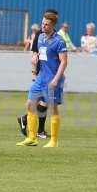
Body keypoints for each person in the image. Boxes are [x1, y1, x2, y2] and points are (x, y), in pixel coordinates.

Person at [17, 11, 68, 147]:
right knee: (30, 104)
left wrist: (56, 79)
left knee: (53, 109)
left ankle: (53, 141)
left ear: (53, 25)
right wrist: (35, 60)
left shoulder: (59, 41)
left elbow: (64, 62)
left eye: (46, 24)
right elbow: (41, 54)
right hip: (41, 78)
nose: (44, 26)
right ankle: (32, 138)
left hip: (52, 79)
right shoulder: (40, 37)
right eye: (43, 23)